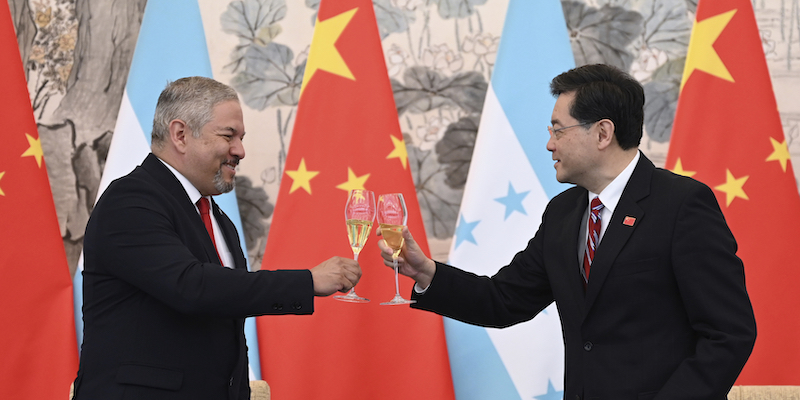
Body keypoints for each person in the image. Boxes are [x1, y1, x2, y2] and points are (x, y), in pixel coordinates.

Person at [378, 64, 756, 399]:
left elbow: (729, 334)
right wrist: (426, 271)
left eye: (558, 130)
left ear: (603, 133)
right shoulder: (564, 212)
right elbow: (503, 299)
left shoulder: (681, 204)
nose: (549, 144)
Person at [73, 76, 361, 400]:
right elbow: (192, 286)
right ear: (180, 135)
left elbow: (226, 318)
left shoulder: (216, 218)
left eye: (241, 138)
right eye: (229, 136)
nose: (240, 150)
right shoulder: (130, 200)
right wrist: (306, 282)